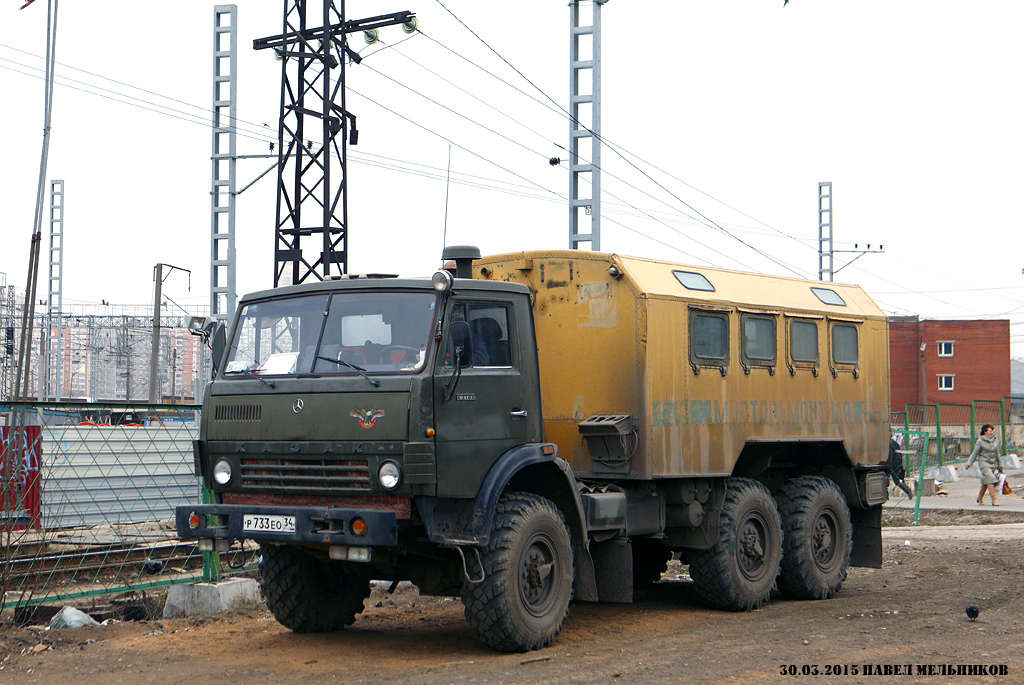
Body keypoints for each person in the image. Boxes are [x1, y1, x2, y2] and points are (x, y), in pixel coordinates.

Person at [965, 424, 1001, 506]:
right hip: (984, 463)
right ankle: (994, 499)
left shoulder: (995, 440)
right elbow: (975, 453)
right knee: (991, 479)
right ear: (985, 432)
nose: (992, 433)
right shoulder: (980, 441)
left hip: (992, 464)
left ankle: (980, 497)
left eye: (992, 431)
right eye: (990, 431)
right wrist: (969, 463)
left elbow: (997, 453)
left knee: (986, 481)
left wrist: (1000, 464)